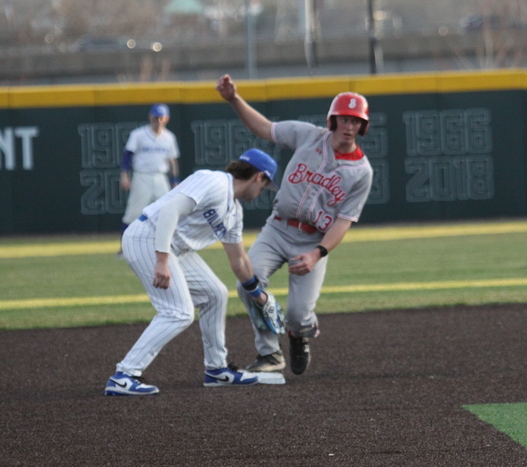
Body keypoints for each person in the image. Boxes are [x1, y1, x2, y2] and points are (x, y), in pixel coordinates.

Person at [216, 74, 374, 376]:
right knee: (249, 282)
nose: (349, 127)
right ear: (333, 120)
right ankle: (269, 353)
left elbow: (343, 222)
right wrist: (234, 99)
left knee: (298, 317)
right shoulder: (309, 136)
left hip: (312, 240)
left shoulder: (361, 172)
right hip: (277, 229)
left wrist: (317, 253)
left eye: (356, 121)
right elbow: (264, 128)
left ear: (363, 126)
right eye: (344, 119)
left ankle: (298, 335)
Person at [105, 148, 285, 396]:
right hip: (147, 238)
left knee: (216, 294)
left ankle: (216, 370)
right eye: (265, 185)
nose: (262, 191)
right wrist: (162, 259)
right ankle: (124, 375)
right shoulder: (214, 181)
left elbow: (239, 260)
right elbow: (170, 210)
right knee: (178, 312)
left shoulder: (234, 212)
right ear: (259, 177)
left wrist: (258, 295)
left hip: (173, 248)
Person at [117, 103, 180, 257]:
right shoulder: (138, 134)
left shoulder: (169, 137)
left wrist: (175, 180)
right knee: (133, 213)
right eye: (155, 117)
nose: (158, 120)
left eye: (161, 117)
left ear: (166, 119)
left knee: (168, 211)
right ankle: (124, 249)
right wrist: (124, 174)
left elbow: (172, 160)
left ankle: (170, 247)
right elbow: (128, 156)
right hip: (142, 176)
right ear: (150, 117)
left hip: (160, 177)